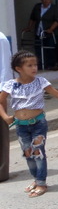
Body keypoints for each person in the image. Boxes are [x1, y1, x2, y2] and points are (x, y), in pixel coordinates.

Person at [0, 50, 58, 197]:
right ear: (18, 69)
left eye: (35, 64)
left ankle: (41, 182)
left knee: (38, 152)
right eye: (29, 65)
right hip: (21, 125)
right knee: (28, 153)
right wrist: (5, 117)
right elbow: (1, 101)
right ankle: (36, 179)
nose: (34, 68)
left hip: (38, 124)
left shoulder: (41, 82)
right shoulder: (10, 85)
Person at [23, 0, 58, 70]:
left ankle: (50, 65)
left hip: (49, 33)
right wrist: (29, 27)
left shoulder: (54, 8)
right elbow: (32, 18)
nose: (46, 1)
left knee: (50, 49)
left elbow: (57, 20)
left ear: (50, 0)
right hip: (39, 32)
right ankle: (40, 64)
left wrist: (51, 29)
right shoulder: (37, 7)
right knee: (38, 49)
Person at [0, 31, 11, 182]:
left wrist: (3, 93)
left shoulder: (0, 39)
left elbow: (5, 69)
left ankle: (1, 171)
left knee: (0, 132)